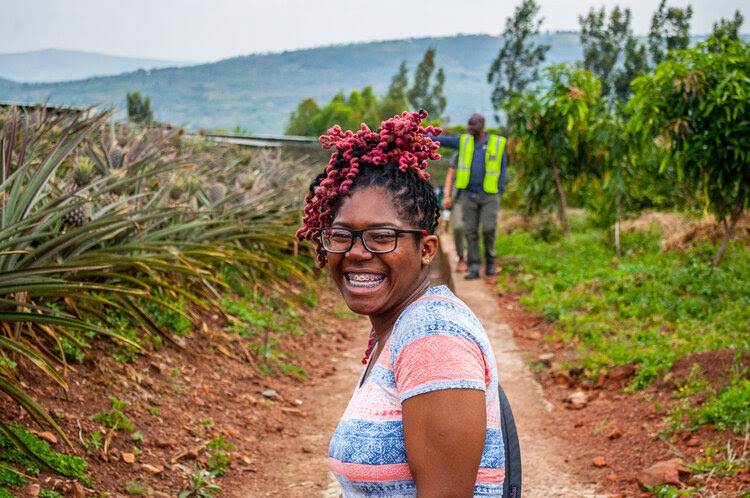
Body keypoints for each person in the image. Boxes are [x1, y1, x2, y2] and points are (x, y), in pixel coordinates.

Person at [296, 110, 505, 496]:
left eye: (381, 237)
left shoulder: (434, 337)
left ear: (426, 250)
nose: (357, 253)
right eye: (341, 235)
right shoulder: (399, 328)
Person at [437, 113, 508, 280]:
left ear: (481, 125)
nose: (469, 128)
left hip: (490, 195)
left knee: (489, 229)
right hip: (468, 195)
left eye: (472, 125)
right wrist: (421, 136)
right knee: (470, 232)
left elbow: (503, 169)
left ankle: (490, 261)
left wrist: (500, 190)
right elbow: (444, 140)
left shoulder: (496, 144)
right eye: (468, 125)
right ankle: (474, 266)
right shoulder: (464, 141)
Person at [446, 151, 468, 272]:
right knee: (458, 227)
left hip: (478, 197)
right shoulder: (459, 154)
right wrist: (447, 196)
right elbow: (450, 175)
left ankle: (474, 260)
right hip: (459, 198)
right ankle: (461, 257)